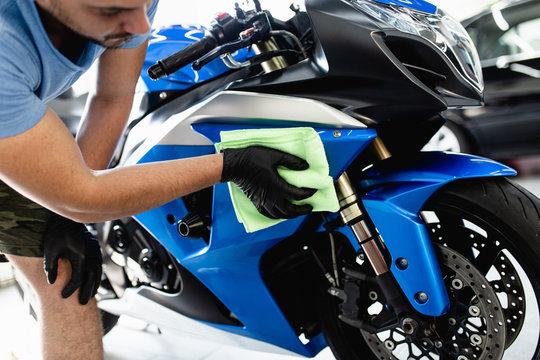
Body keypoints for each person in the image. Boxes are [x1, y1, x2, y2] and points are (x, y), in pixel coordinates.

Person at [0, 1, 315, 359]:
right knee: (66, 282)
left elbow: (112, 96)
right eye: (112, 10)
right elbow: (81, 195)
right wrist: (231, 166)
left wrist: (65, 217)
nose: (138, 26)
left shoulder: (129, 7)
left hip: (19, 101)